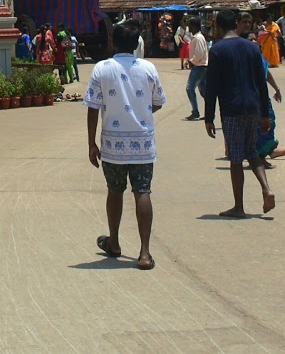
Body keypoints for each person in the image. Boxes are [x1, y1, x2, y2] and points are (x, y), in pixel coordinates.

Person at [85, 20, 165, 270]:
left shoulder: (102, 68)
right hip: (142, 143)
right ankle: (144, 253)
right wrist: (142, 111)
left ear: (114, 42)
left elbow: (93, 107)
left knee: (115, 191)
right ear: (136, 44)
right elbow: (159, 101)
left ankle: (115, 242)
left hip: (112, 143)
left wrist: (91, 143)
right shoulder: (148, 68)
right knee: (142, 191)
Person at [202, 7, 275, 217]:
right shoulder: (252, 48)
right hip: (252, 106)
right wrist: (264, 113)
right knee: (251, 151)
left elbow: (212, 86)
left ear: (218, 27)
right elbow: (261, 82)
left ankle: (239, 207)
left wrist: (209, 118)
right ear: (235, 24)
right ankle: (266, 188)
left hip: (232, 109)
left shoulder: (217, 50)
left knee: (236, 157)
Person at [184, 20, 210, 119]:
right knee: (203, 91)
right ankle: (208, 112)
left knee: (190, 88)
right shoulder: (197, 37)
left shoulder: (198, 38)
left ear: (194, 26)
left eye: (190, 25)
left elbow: (199, 54)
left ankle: (195, 112)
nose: (189, 28)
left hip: (199, 66)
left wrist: (192, 61)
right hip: (201, 65)